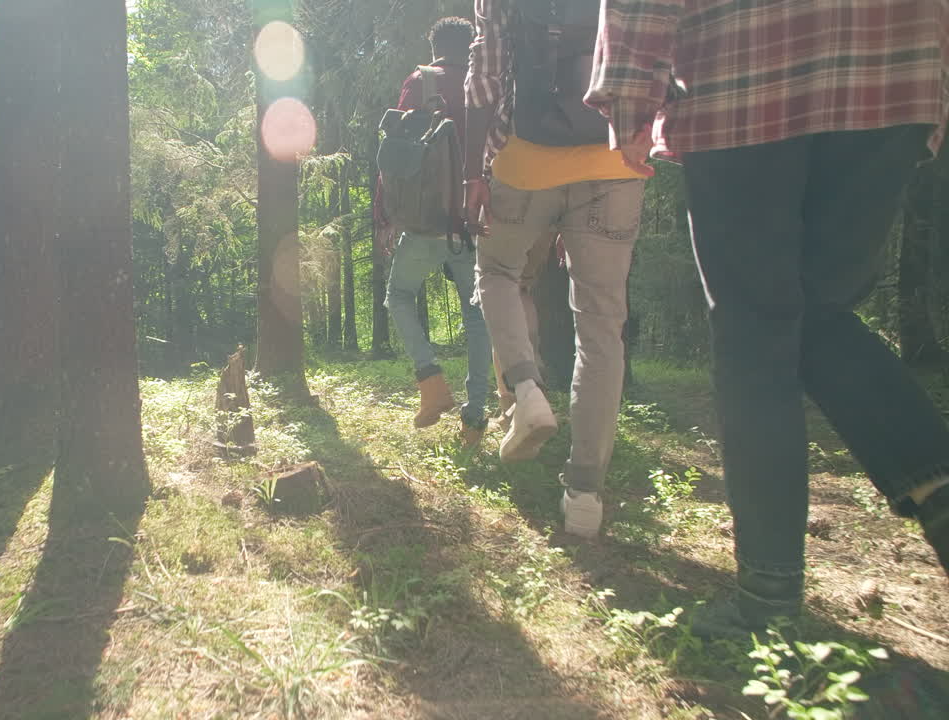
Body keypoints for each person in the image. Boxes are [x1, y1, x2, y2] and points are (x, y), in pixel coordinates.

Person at [587, 0, 949, 635]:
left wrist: (629, 96)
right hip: (889, 66)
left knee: (757, 328)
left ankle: (767, 596)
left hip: (744, 69)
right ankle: (935, 485)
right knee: (820, 313)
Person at [463, 0, 649, 538]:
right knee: (601, 325)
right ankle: (586, 493)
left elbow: (484, 80)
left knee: (496, 270)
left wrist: (474, 172)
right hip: (614, 164)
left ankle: (524, 390)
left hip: (525, 162)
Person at [377, 17, 493, 447]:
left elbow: (395, 156)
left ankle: (431, 382)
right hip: (479, 218)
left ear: (434, 48)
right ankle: (475, 421)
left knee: (400, 296)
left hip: (428, 219)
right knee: (478, 315)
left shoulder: (422, 83)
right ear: (471, 48)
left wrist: (384, 216)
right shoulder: (487, 84)